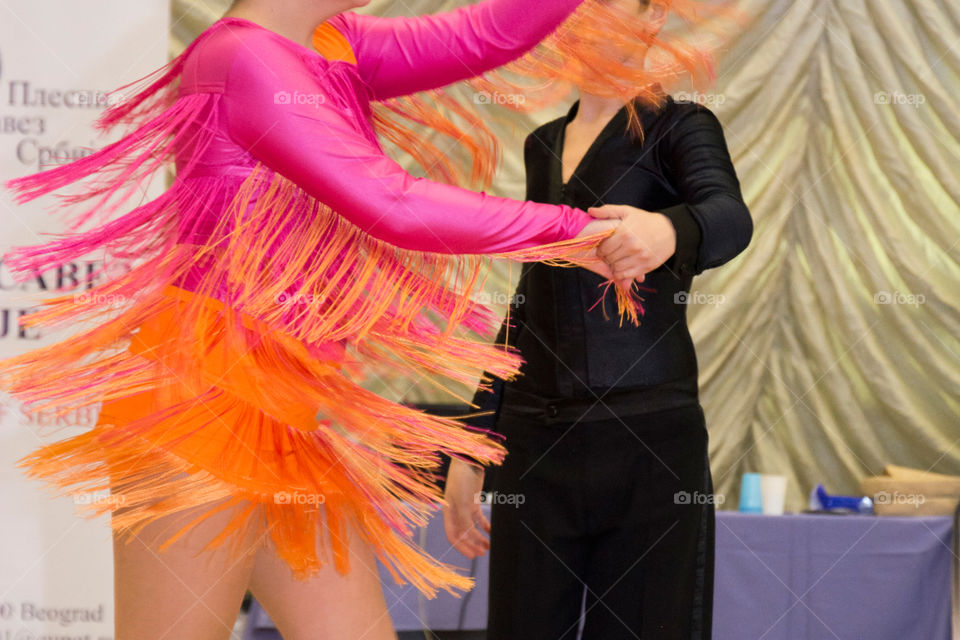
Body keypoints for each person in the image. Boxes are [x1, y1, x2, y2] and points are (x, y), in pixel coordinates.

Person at [0, 1, 659, 639]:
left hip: (285, 413)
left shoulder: (331, 43)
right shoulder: (242, 58)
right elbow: (387, 201)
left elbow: (482, 37)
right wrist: (575, 232)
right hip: (199, 405)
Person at [443, 0, 753, 638]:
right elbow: (525, 299)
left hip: (646, 440)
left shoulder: (680, 126)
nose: (590, 23)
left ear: (652, 19)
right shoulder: (542, 145)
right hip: (536, 443)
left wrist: (669, 229)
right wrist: (471, 443)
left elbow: (730, 215)